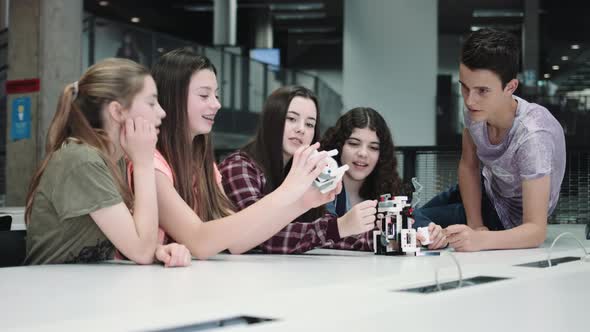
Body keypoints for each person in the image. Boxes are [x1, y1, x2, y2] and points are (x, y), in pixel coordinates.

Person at [145, 48, 338, 259]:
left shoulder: (202, 164)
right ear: (173, 97)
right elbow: (199, 241)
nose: (216, 104)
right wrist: (288, 192)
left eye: (216, 95)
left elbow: (238, 241)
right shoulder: (151, 164)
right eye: (204, 95)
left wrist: (303, 202)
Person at [24, 58, 191, 266]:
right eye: (151, 103)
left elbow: (135, 241)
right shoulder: (83, 160)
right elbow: (141, 252)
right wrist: (144, 163)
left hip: (83, 288)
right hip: (46, 291)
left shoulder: (113, 159)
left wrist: (159, 251)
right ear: (117, 111)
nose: (162, 112)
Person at [413, 28, 566, 252]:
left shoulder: (533, 135)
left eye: (482, 90)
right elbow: (469, 166)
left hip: (508, 221)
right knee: (410, 216)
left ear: (510, 87)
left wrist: (479, 239)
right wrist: (475, 225)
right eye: (464, 87)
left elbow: (535, 230)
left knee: (416, 225)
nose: (470, 100)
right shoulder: (476, 111)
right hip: (488, 190)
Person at [219, 87, 377, 254]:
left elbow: (317, 230)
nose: (301, 129)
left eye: (310, 124)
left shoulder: (304, 170)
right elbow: (257, 235)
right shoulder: (240, 167)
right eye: (291, 119)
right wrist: (338, 227)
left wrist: (379, 239)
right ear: (272, 120)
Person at [321, 107, 447, 250]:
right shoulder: (323, 183)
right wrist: (386, 241)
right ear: (339, 145)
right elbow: (325, 234)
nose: (363, 153)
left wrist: (433, 233)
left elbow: (415, 220)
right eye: (354, 144)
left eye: (373, 148)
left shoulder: (387, 186)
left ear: (381, 155)